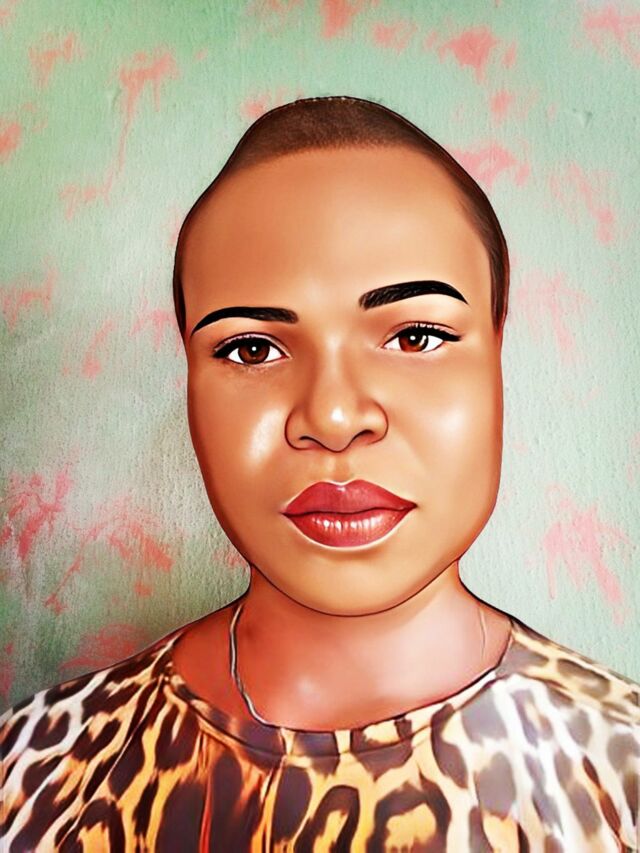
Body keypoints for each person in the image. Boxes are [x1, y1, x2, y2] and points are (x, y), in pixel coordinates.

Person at [1, 96, 637, 852]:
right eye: (252, 349)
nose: (333, 417)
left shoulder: (620, 774)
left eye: (416, 335)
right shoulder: (34, 777)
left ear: (498, 348)